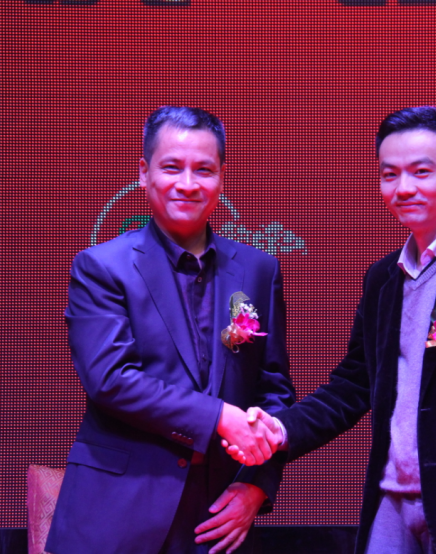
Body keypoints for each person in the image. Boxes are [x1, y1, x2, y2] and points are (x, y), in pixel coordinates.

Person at [228, 106, 436, 554]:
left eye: (421, 172)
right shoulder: (382, 278)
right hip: (390, 502)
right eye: (389, 175)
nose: (403, 188)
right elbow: (352, 386)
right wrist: (280, 430)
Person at [46, 106, 295, 554]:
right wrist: (219, 417)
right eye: (172, 167)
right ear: (144, 174)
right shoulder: (101, 267)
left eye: (204, 169)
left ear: (221, 178)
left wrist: (257, 485)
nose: (188, 183)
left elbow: (273, 390)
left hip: (219, 514)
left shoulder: (259, 269)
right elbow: (111, 381)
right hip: (120, 510)